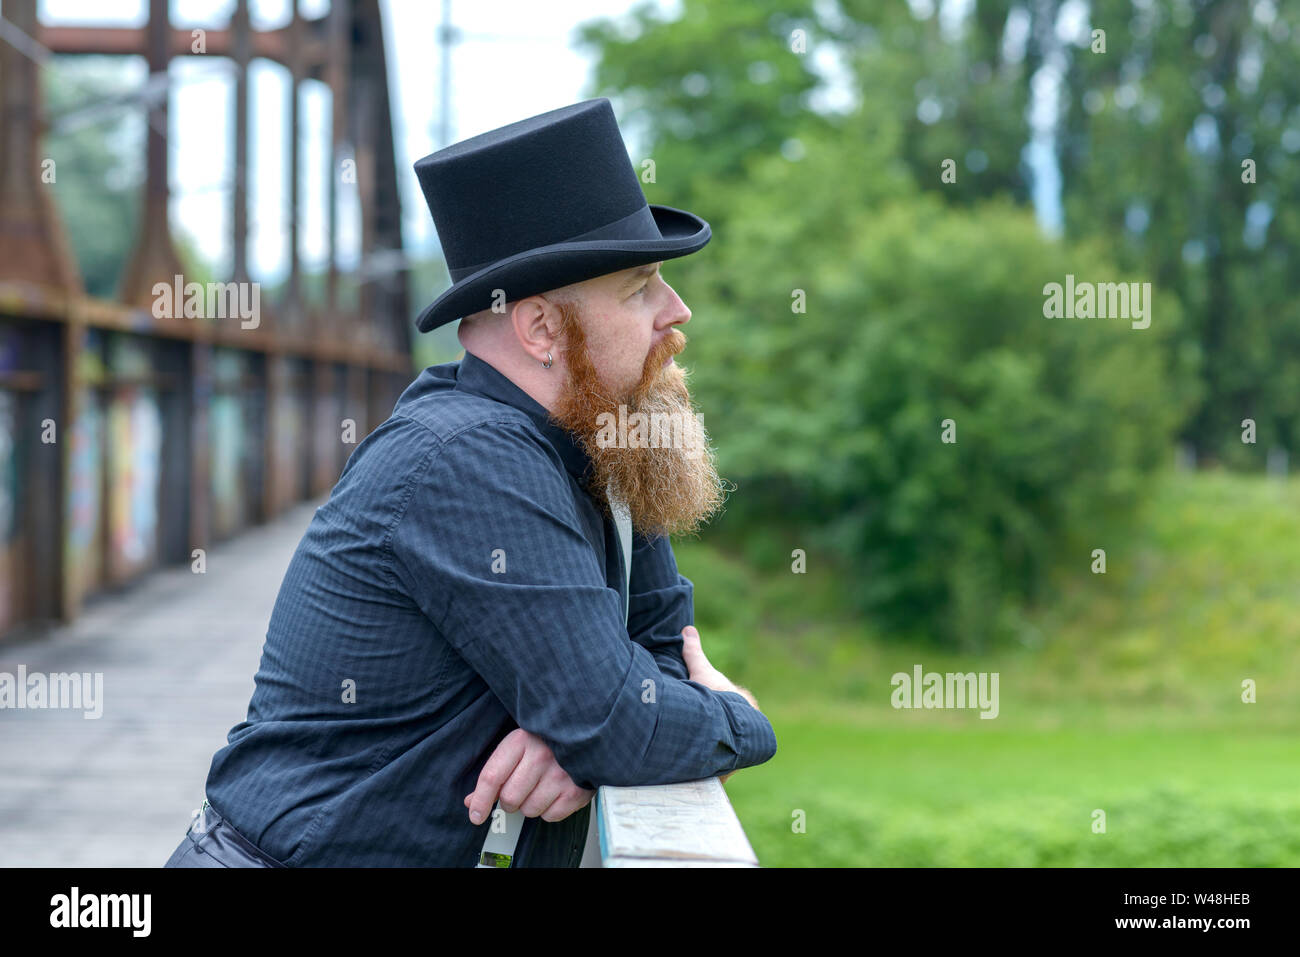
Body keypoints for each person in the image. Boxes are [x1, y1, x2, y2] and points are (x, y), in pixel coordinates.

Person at [165, 98, 777, 868]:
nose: (676, 311)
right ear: (542, 329)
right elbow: (620, 722)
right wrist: (737, 716)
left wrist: (581, 738)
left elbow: (657, 659)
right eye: (640, 286)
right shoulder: (470, 456)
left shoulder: (603, 440)